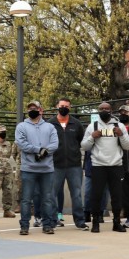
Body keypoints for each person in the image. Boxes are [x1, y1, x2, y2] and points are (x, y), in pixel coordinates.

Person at [81, 102, 129, 233]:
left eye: (107, 109)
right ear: (98, 111)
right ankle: (96, 222)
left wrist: (121, 135)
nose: (104, 110)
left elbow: (128, 146)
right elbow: (84, 146)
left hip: (116, 165)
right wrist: (92, 137)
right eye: (101, 109)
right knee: (96, 195)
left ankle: (116, 222)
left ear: (111, 110)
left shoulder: (119, 125)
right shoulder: (92, 126)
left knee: (117, 196)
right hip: (98, 166)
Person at [15, 101, 59, 235]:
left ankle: (47, 225)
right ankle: (24, 226)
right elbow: (21, 143)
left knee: (47, 198)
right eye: (30, 108)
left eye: (35, 108)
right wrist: (39, 150)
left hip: (47, 169)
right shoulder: (21, 126)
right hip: (28, 169)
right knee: (26, 199)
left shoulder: (50, 127)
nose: (32, 110)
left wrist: (45, 152)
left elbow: (55, 144)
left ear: (41, 110)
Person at [47, 98, 87, 229]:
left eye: (66, 106)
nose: (64, 107)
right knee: (52, 194)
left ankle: (80, 221)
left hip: (74, 165)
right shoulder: (50, 124)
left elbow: (82, 141)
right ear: (57, 106)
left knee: (76, 194)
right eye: (61, 105)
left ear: (70, 108)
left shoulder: (76, 124)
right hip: (55, 165)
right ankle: (52, 221)